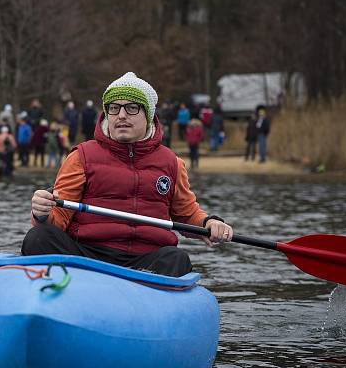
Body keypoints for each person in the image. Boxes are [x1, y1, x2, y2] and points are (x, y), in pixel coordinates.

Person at [24, 72, 234, 277]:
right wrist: (42, 213)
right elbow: (58, 219)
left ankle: (143, 289)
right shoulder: (81, 156)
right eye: (114, 108)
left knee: (176, 258)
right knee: (39, 237)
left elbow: (187, 214)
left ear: (149, 115)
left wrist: (208, 223)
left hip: (146, 259)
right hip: (88, 255)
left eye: (132, 108)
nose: (121, 115)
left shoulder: (172, 163)